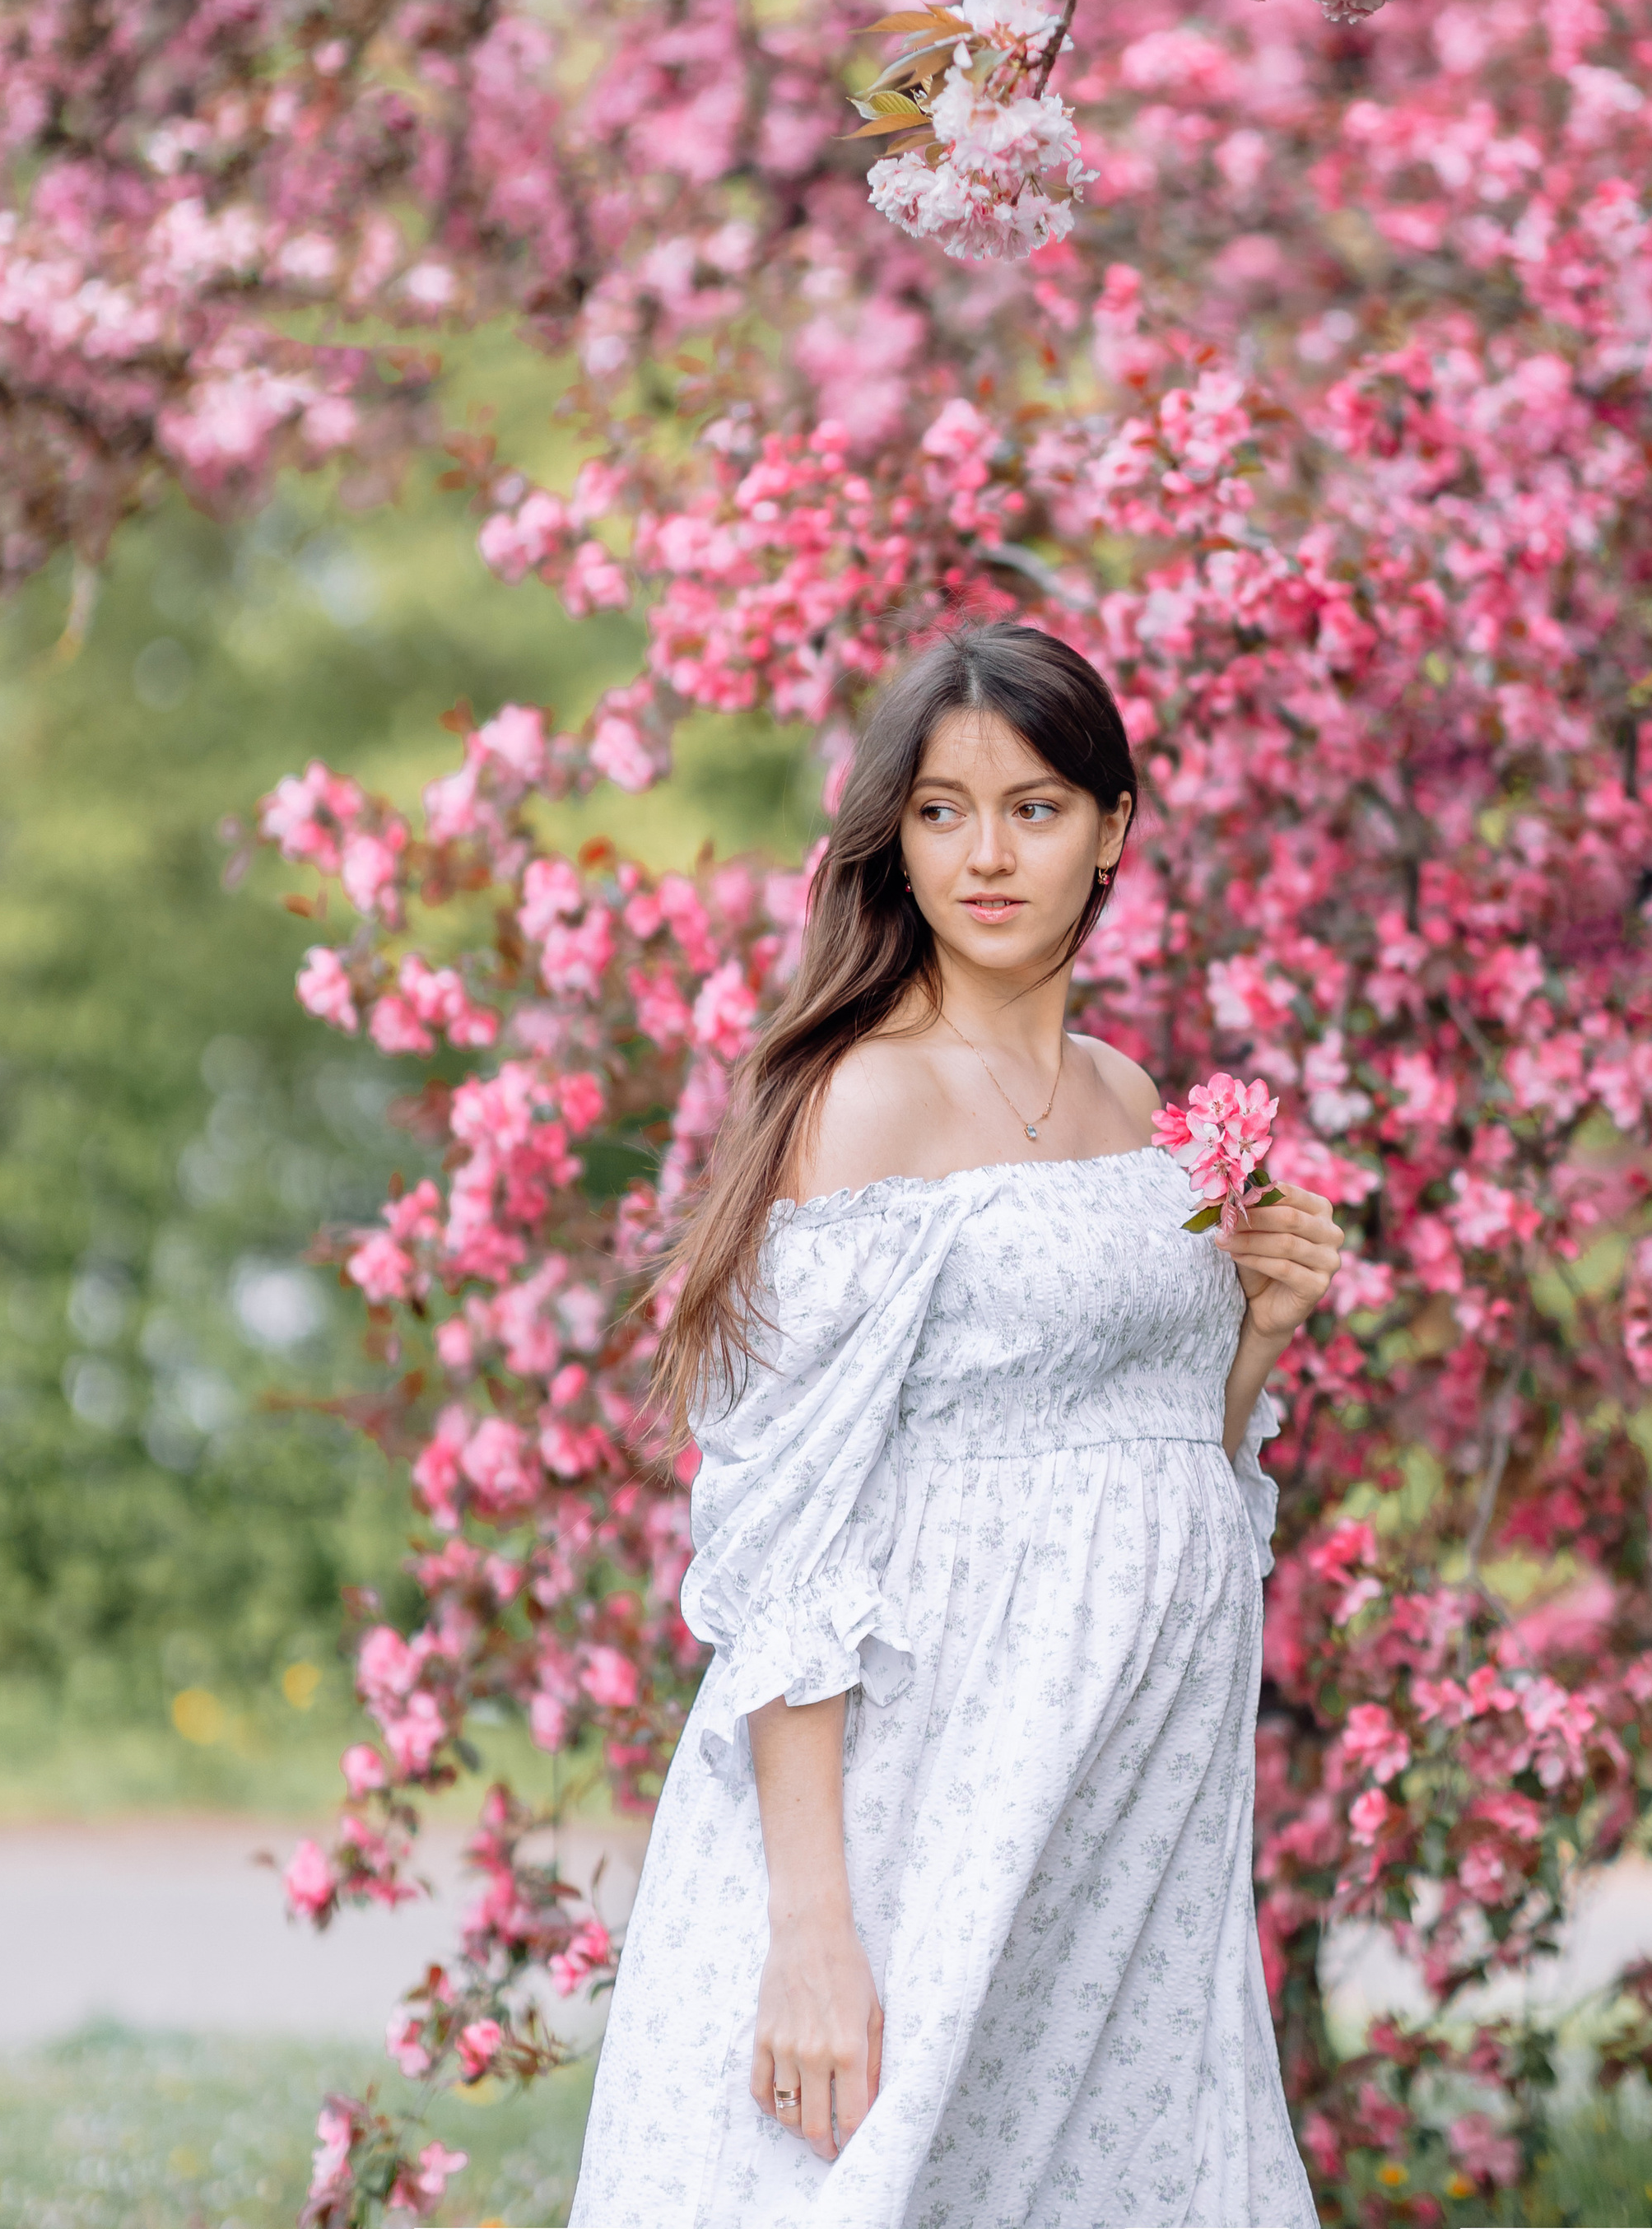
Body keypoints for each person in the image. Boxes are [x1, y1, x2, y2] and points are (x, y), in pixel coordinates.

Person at [568, 621, 1345, 2229]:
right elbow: (786, 1541)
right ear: (893, 836)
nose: (985, 856)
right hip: (916, 1806)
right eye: (940, 811)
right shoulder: (869, 1101)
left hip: (1116, 1812)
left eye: (1035, 809)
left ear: (1112, 829)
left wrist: (1255, 1337)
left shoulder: (1138, 1107)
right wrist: (810, 1932)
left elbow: (1158, 1465)